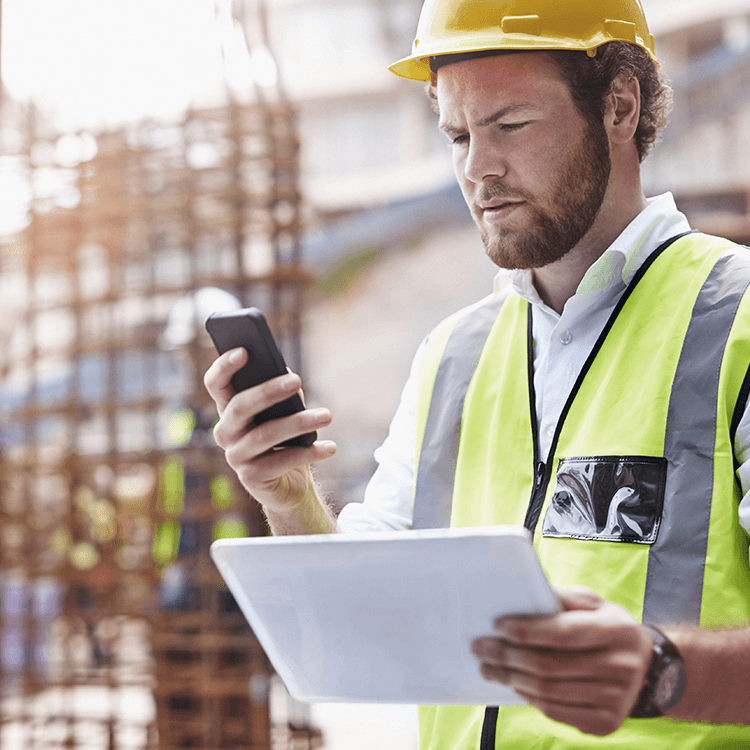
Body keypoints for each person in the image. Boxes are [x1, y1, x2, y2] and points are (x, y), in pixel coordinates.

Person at [204, 0, 750, 746]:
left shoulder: (737, 320)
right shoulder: (453, 356)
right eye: (458, 135)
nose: (476, 168)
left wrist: (663, 669)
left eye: (509, 126)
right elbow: (364, 619)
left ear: (619, 106)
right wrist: (290, 497)